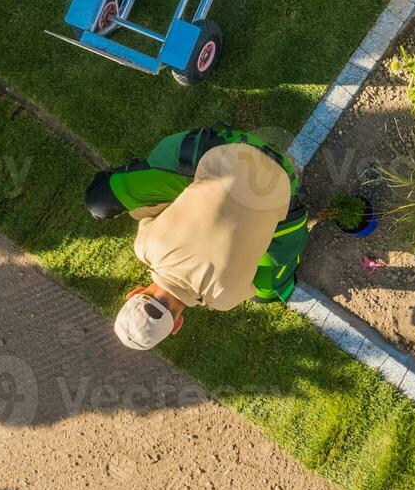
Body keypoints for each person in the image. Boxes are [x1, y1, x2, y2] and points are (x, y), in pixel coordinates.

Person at [84, 124, 308, 350]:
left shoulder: (225, 299)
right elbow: (148, 213)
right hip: (229, 147)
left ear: (176, 325)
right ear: (134, 293)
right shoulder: (145, 247)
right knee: (118, 204)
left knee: (266, 293)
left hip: (284, 185)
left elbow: (248, 276)